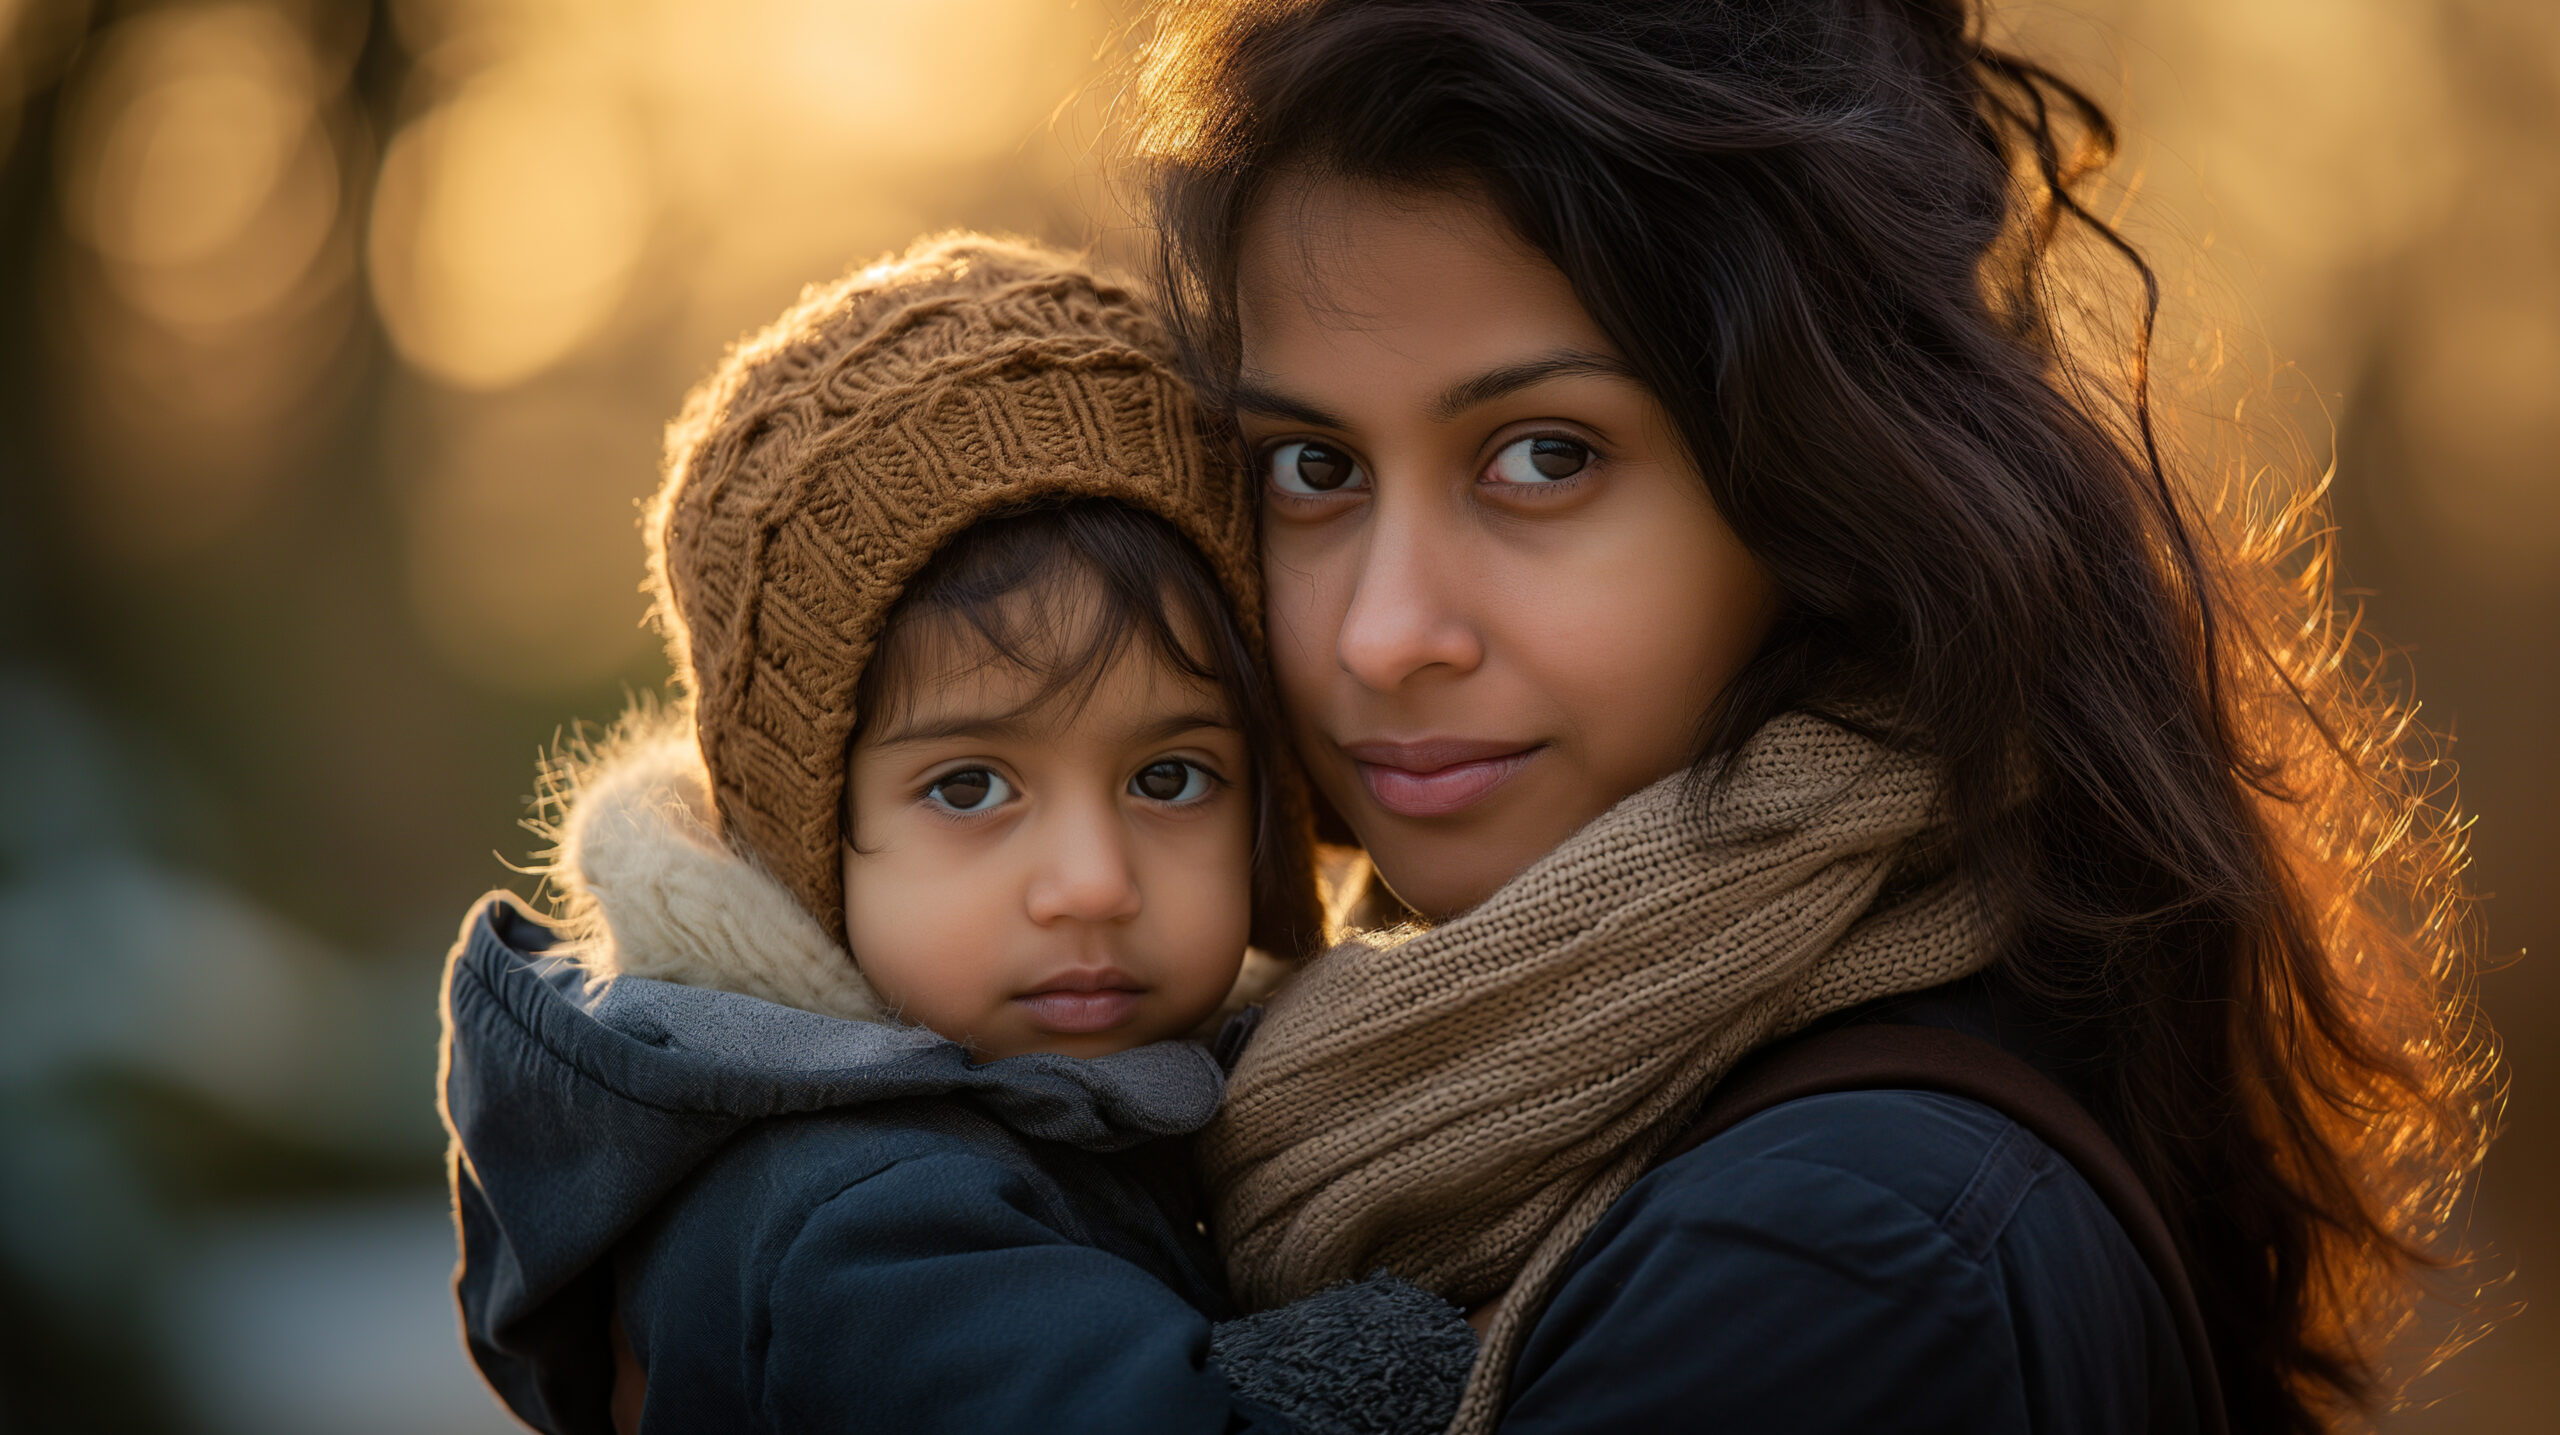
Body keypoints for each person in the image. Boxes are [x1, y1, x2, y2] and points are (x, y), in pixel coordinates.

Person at [1136, 3, 2494, 1433]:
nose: (1386, 631)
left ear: (1818, 483)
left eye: (1546, 455)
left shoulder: (1831, 1267)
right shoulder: (1342, 1102)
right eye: (1311, 463)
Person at [436, 235, 1475, 1435]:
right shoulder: (862, 1218)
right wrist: (1462, 1340)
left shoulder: (1062, 1106)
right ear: (802, 826)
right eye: (972, 789)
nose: (1091, 884)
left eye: (1171, 775)